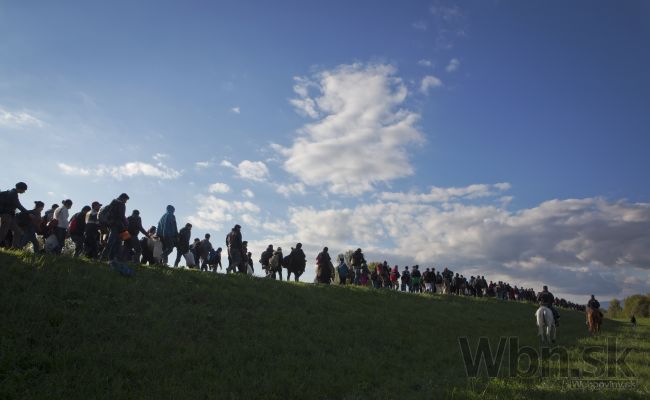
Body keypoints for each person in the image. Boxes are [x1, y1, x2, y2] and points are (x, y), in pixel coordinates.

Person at [0, 182, 29, 247]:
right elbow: (18, 205)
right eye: (24, 190)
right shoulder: (13, 194)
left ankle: (15, 247)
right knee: (3, 232)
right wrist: (28, 213)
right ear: (21, 188)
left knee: (18, 231)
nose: (24, 192)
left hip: (10, 216)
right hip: (6, 215)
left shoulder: (12, 193)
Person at [102, 193, 129, 262]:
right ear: (123, 198)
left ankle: (108, 258)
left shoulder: (113, 202)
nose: (126, 202)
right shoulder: (121, 204)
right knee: (114, 242)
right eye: (126, 200)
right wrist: (126, 224)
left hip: (111, 224)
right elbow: (122, 216)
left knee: (114, 242)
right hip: (117, 225)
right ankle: (105, 258)